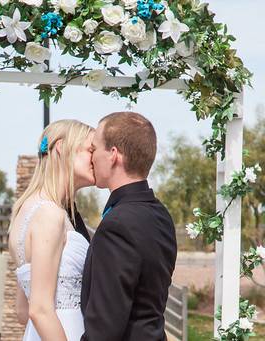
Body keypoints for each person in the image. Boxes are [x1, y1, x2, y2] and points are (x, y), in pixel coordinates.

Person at [81, 112, 177, 340]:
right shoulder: (161, 214)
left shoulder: (117, 225)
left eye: (94, 149)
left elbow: (104, 327)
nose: (91, 157)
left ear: (113, 155)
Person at [8, 119, 95, 341]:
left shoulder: (25, 210)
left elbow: (22, 310)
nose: (95, 159)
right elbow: (39, 309)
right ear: (61, 147)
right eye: (90, 150)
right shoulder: (49, 215)